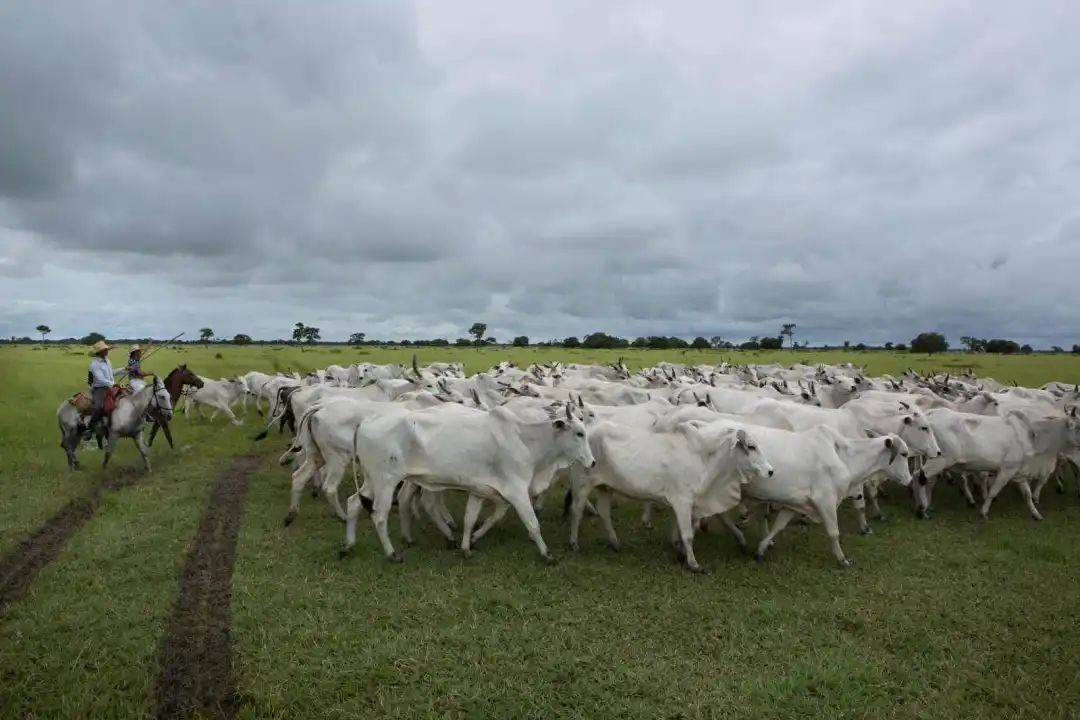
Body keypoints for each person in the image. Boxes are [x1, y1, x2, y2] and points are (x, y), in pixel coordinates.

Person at [84, 340, 124, 440]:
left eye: (106, 349)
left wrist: (125, 369)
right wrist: (113, 384)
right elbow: (100, 379)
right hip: (99, 388)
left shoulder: (107, 361)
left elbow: (112, 372)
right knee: (98, 407)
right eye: (104, 350)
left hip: (110, 386)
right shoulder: (94, 364)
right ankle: (89, 429)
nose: (107, 351)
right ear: (99, 352)